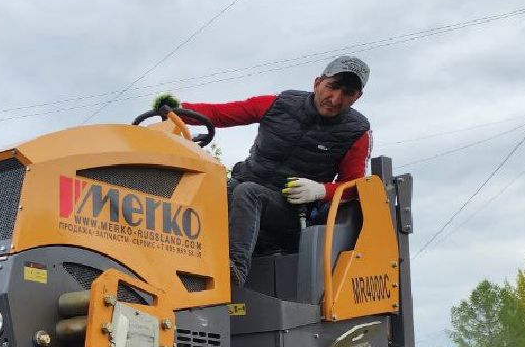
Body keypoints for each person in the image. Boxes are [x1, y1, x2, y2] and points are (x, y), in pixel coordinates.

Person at [154, 55, 372, 286]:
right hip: (241, 191)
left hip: (290, 214)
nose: (335, 99)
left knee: (248, 192)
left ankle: (233, 271)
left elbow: (353, 187)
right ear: (317, 82)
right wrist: (176, 111)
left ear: (357, 97)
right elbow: (221, 113)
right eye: (332, 87)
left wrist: (320, 191)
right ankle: (165, 262)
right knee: (209, 187)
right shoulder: (279, 105)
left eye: (347, 94)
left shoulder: (356, 132)